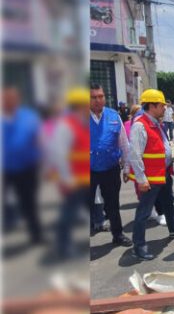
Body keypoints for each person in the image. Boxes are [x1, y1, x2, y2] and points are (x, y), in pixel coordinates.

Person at [127, 89, 174, 260]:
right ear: (152, 106)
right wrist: (141, 179)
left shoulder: (156, 122)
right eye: (162, 105)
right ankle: (139, 245)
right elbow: (134, 155)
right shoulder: (140, 125)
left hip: (162, 173)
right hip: (150, 178)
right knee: (144, 211)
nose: (165, 108)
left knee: (168, 202)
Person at [50, 88, 92, 258]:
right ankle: (63, 245)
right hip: (73, 180)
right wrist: (67, 179)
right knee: (68, 213)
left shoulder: (82, 123)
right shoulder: (66, 125)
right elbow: (58, 154)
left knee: (81, 212)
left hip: (85, 178)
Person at [89, 83, 133, 247]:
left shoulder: (114, 116)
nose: (98, 100)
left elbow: (124, 144)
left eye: (101, 97)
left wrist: (127, 167)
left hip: (110, 169)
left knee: (112, 204)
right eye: (93, 97)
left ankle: (118, 234)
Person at [2, 85, 43, 243]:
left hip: (27, 169)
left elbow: (40, 140)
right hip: (5, 170)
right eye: (6, 99)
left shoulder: (29, 117)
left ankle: (36, 234)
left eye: (12, 98)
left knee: (29, 202)